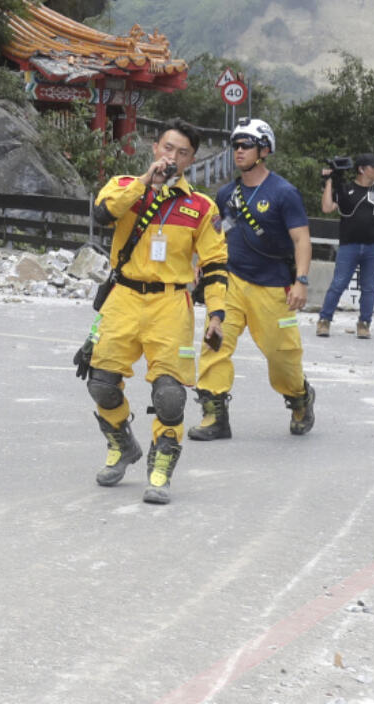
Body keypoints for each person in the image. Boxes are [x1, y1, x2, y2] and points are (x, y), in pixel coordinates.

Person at [80, 119, 227, 504]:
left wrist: (217, 315)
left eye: (181, 153)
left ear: (192, 159)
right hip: (123, 298)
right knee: (101, 383)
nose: (172, 157)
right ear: (155, 148)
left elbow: (214, 265)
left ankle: (160, 468)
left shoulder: (201, 207)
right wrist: (147, 180)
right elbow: (103, 215)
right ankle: (121, 443)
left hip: (170, 303)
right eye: (167, 148)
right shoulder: (125, 186)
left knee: (169, 396)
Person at [189, 117, 316, 442]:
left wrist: (301, 280)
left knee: (282, 356)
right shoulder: (226, 193)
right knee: (214, 344)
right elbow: (214, 236)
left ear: (264, 150)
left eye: (246, 145)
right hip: (230, 284)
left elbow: (302, 239)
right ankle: (214, 415)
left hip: (273, 288)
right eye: (236, 145)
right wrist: (199, 267)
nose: (238, 151)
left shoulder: (284, 192)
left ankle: (300, 397)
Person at [316, 154, 374, 339]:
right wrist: (329, 181)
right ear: (361, 169)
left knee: (368, 287)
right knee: (338, 284)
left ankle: (364, 323)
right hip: (349, 246)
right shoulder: (345, 190)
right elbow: (327, 207)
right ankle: (324, 320)